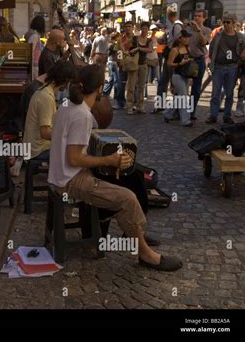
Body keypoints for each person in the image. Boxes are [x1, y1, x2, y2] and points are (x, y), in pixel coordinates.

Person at [48, 64, 182, 271]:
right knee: (127, 198)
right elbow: (74, 158)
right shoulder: (82, 114)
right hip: (69, 181)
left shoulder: (67, 105)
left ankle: (133, 232)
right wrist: (109, 160)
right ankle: (145, 253)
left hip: (62, 173)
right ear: (101, 88)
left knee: (130, 175)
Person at [23, 61, 77, 161]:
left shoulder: (44, 90)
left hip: (35, 146)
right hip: (38, 150)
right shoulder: (46, 97)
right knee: (75, 151)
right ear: (65, 81)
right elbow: (45, 132)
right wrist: (66, 137)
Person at [207, 14, 245, 124]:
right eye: (224, 22)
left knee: (229, 93)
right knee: (215, 92)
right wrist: (212, 62)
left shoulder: (240, 37)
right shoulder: (218, 36)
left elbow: (243, 52)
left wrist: (239, 64)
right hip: (219, 67)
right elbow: (211, 49)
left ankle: (227, 115)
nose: (225, 24)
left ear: (234, 24)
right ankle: (213, 115)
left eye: (228, 22)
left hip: (233, 67)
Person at [163, 30, 194, 127]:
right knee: (183, 97)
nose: (187, 39)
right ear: (180, 38)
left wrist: (192, 76)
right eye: (185, 37)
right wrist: (179, 64)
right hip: (177, 76)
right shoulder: (175, 50)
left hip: (186, 76)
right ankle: (185, 120)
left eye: (188, 37)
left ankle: (167, 113)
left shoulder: (188, 48)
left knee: (179, 97)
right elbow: (169, 63)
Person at [186, 10, 211, 120]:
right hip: (186, 59)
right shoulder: (187, 29)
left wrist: (198, 29)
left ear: (204, 18)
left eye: (199, 16)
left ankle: (192, 111)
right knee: (181, 86)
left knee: (196, 88)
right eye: (195, 16)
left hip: (199, 60)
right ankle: (179, 110)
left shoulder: (207, 30)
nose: (196, 18)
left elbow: (203, 42)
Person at [157, 8, 184, 99]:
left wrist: (169, 45)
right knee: (164, 80)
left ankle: (174, 105)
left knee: (171, 81)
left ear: (169, 15)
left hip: (173, 56)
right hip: (171, 55)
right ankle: (161, 103)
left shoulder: (177, 25)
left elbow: (177, 40)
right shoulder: (174, 25)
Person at [135, 22, 153, 113]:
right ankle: (131, 104)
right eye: (143, 28)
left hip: (143, 64)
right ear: (141, 29)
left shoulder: (149, 40)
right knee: (132, 85)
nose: (145, 30)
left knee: (141, 86)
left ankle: (140, 106)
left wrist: (140, 49)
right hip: (134, 64)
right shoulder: (136, 38)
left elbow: (150, 50)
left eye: (146, 28)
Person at [25, 15, 46, 80]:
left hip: (33, 65)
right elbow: (31, 50)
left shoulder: (30, 33)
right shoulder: (34, 35)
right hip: (34, 65)